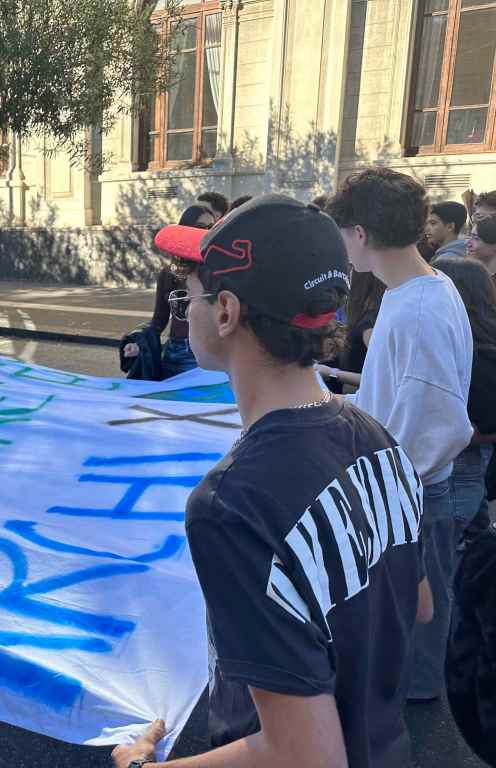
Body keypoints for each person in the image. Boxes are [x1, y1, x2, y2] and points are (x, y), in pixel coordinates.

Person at [113, 195, 428, 768]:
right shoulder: (378, 438)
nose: (187, 313)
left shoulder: (231, 503)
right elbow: (419, 602)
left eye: (191, 298)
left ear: (227, 312)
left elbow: (306, 756)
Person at [327, 167, 473, 703]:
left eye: (342, 236)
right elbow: (400, 395)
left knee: (412, 637)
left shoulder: (416, 310)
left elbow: (433, 425)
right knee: (408, 625)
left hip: (409, 497)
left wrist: (374, 484)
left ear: (359, 234)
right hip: (407, 490)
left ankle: (404, 722)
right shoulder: (423, 289)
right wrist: (345, 404)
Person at [433, 257, 496, 548]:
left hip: (455, 476)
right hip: (466, 478)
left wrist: (454, 434)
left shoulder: (477, 355)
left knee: (443, 570)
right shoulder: (473, 345)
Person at [125, 205, 215, 378]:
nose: (207, 232)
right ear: (186, 229)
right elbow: (159, 320)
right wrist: (138, 343)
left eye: (212, 227)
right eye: (202, 227)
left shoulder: (218, 270)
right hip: (176, 352)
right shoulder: (169, 274)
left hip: (206, 352)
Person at [315, 270, 386, 391]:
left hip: (355, 397)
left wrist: (332, 373)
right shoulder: (365, 316)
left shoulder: (370, 327)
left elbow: (383, 379)